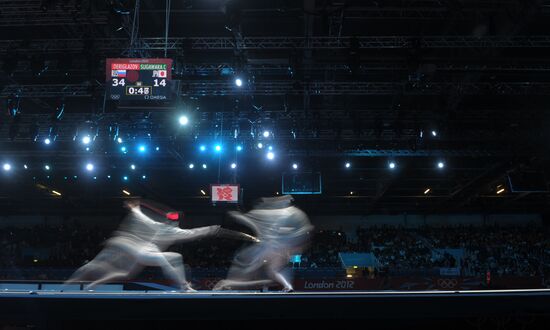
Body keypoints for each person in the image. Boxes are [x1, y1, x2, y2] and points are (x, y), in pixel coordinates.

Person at [65, 199, 259, 292]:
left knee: (129, 273)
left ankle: (92, 285)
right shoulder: (160, 226)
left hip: (142, 251)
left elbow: (198, 232)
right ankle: (184, 286)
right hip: (135, 248)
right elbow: (141, 216)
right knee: (97, 264)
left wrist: (214, 229)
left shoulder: (171, 230)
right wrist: (136, 209)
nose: (173, 221)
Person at [214, 195, 313, 292]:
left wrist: (239, 216)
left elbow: (303, 233)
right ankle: (287, 285)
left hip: (275, 249)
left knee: (261, 270)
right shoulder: (283, 215)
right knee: (271, 272)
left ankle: (228, 284)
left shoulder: (289, 214)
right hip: (275, 250)